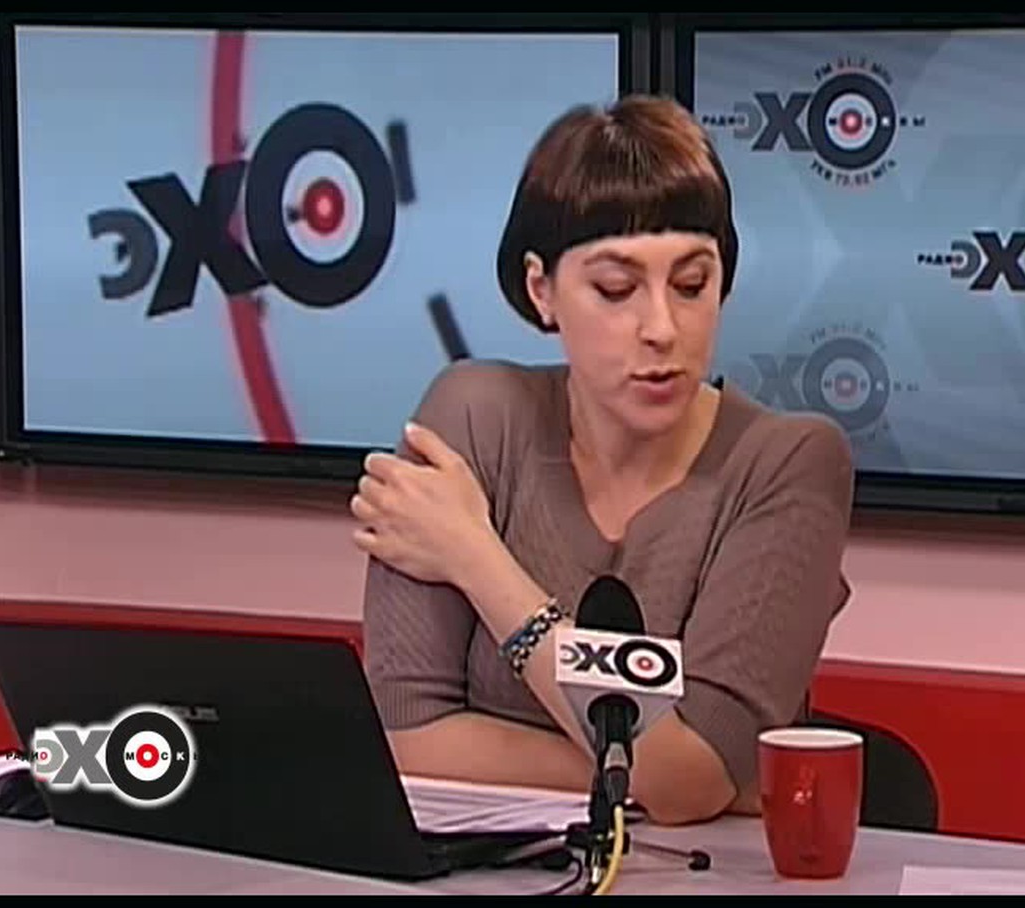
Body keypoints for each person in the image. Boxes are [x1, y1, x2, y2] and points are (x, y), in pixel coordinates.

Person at [352, 94, 854, 826]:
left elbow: (691, 778)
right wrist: (647, 774)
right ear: (542, 290)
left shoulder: (788, 462)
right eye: (616, 290)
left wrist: (473, 557)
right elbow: (402, 739)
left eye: (692, 285)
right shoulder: (472, 418)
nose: (662, 328)